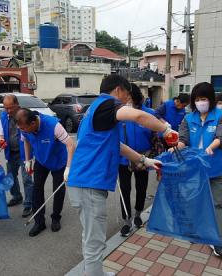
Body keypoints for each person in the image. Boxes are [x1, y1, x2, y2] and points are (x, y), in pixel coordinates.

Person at [67, 75, 175, 276]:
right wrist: (166, 129)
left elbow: (118, 146)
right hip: (88, 185)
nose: (128, 99)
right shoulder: (107, 104)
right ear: (118, 90)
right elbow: (139, 117)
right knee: (94, 241)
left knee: (92, 237)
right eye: (127, 94)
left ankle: (95, 272)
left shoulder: (96, 111)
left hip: (85, 184)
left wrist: (144, 161)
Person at [177, 82, 222, 258]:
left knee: (217, 205)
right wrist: (175, 147)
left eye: (204, 99)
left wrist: (212, 147)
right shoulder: (188, 118)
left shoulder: (221, 116)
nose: (201, 102)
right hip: (196, 169)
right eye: (197, 99)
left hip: (217, 169)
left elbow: (221, 137)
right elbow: (183, 139)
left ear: (211, 100)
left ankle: (217, 241)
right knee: (196, 202)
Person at [15, 108, 76, 237]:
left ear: (33, 124)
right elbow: (25, 140)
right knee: (37, 189)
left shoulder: (53, 126)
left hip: (58, 162)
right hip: (41, 161)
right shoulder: (24, 128)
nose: (23, 131)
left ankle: (55, 218)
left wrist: (69, 168)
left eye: (24, 129)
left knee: (58, 190)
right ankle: (39, 221)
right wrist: (27, 159)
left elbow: (70, 145)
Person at [118, 84, 155, 237]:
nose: (127, 100)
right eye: (125, 97)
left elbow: (157, 134)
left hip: (143, 158)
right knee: (124, 190)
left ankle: (138, 213)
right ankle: (127, 220)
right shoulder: (118, 114)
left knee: (141, 188)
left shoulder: (148, 114)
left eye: (129, 97)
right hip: (122, 159)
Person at [0, 95, 34, 218]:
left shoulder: (24, 115)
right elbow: (0, 132)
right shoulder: (3, 116)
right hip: (10, 152)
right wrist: (1, 139)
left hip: (24, 153)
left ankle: (29, 203)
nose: (8, 111)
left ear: (17, 104)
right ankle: (17, 196)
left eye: (11, 108)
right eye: (6, 108)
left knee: (27, 179)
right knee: (11, 177)